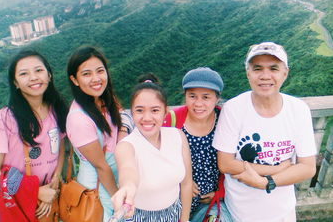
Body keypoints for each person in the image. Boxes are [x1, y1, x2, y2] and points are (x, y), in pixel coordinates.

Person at [213, 42, 317, 222]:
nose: (265, 76)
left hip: (282, 212)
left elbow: (308, 167)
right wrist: (275, 169)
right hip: (240, 213)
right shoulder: (234, 109)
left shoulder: (298, 110)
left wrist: (266, 182)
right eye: (257, 68)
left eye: (274, 68)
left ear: (285, 73)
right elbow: (226, 164)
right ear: (248, 73)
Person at [0, 49, 68, 220]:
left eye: (39, 70)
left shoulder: (56, 110)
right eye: (24, 74)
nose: (34, 77)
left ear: (49, 75)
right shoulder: (4, 119)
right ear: (15, 82)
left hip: (48, 196)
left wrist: (56, 178)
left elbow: (59, 147)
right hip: (17, 199)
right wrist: (36, 192)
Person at [111, 74, 193, 222]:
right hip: (139, 216)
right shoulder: (126, 146)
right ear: (132, 113)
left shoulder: (178, 136)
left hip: (174, 212)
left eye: (155, 110)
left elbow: (186, 183)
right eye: (140, 110)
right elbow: (128, 171)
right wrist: (127, 189)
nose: (147, 118)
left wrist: (185, 218)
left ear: (165, 112)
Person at [163, 67, 232, 222]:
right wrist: (181, 179)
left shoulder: (225, 120)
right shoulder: (172, 120)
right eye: (192, 96)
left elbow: (235, 160)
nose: (198, 103)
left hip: (210, 202)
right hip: (176, 200)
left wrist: (221, 192)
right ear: (185, 96)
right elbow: (157, 157)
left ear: (216, 98)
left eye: (206, 97)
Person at [66, 46, 122, 221]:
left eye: (100, 71)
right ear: (75, 80)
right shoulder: (78, 119)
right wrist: (118, 199)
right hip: (98, 189)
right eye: (86, 74)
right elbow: (101, 166)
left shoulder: (105, 99)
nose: (96, 79)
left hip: (116, 178)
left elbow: (119, 124)